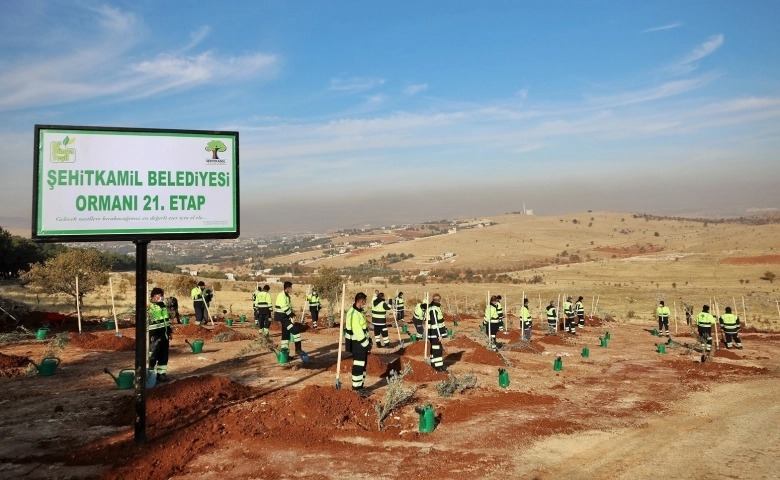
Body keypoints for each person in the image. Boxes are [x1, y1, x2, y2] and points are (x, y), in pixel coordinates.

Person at [347, 292, 371, 392]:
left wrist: (369, 340)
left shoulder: (359, 312)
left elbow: (364, 328)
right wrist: (366, 344)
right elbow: (358, 332)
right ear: (360, 301)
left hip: (361, 343)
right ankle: (356, 388)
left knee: (362, 365)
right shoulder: (353, 314)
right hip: (357, 343)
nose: (365, 303)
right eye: (364, 302)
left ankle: (360, 386)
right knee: (358, 365)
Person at [274, 281, 305, 358]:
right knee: (296, 331)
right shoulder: (281, 296)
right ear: (287, 288)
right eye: (290, 288)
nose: (291, 289)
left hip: (285, 317)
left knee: (285, 336)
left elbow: (289, 307)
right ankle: (298, 350)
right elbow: (284, 307)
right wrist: (292, 315)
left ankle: (285, 355)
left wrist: (292, 315)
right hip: (282, 318)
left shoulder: (287, 296)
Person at [148, 287, 172, 382]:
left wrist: (169, 332)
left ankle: (161, 374)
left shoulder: (163, 306)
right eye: (160, 295)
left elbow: (166, 320)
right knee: (153, 355)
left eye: (162, 295)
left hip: (164, 334)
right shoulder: (149, 306)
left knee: (164, 355)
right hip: (154, 335)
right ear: (154, 296)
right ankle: (150, 376)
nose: (162, 297)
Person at [426, 294, 449, 371]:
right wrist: (439, 335)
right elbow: (435, 323)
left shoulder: (432, 307)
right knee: (437, 350)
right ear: (438, 300)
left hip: (432, 333)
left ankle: (433, 364)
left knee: (434, 350)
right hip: (434, 334)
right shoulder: (434, 309)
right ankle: (438, 367)